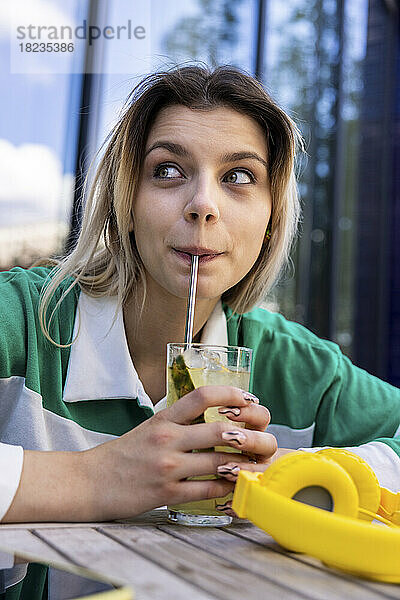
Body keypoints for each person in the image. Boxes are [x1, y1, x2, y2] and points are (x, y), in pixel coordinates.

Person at [0, 65, 399, 598]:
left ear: (271, 215)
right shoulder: (23, 320)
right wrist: (100, 477)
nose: (203, 205)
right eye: (167, 170)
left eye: (238, 177)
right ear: (126, 202)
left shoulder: (291, 362)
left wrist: (298, 468)